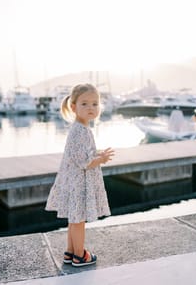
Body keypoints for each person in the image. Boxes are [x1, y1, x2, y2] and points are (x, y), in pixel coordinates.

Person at [45, 83, 114, 267]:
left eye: (95, 104)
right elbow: (84, 162)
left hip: (74, 182)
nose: (91, 108)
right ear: (73, 107)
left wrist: (97, 153)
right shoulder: (79, 131)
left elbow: (82, 154)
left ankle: (70, 252)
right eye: (85, 104)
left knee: (74, 220)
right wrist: (102, 159)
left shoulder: (81, 129)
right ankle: (80, 255)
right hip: (78, 185)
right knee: (79, 221)